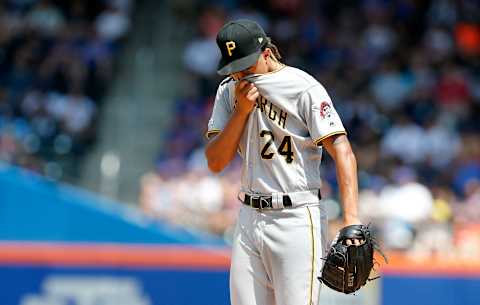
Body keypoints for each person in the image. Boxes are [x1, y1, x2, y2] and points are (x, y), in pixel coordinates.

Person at [205, 19, 363, 305]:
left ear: (266, 53)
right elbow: (216, 162)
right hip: (249, 218)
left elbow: (342, 150)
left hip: (296, 217)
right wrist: (241, 113)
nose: (241, 75)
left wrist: (351, 219)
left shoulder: (302, 87)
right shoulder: (229, 90)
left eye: (246, 67)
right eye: (234, 69)